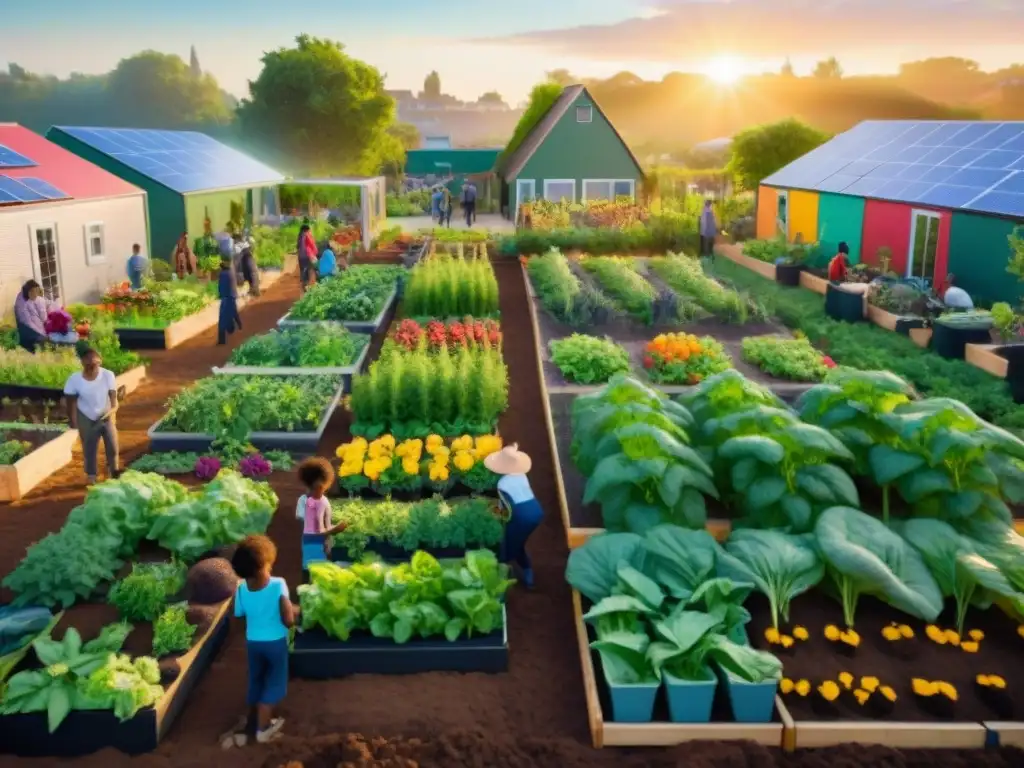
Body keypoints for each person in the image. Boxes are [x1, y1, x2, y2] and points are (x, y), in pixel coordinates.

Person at [230, 535, 296, 745]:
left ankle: (251, 720)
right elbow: (288, 619)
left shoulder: (241, 590)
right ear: (264, 566)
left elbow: (239, 616)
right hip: (275, 643)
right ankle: (263, 729)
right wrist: (296, 613)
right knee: (275, 682)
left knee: (256, 679)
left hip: (253, 643)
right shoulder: (278, 585)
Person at [485, 444, 544, 589]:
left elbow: (504, 507)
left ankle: (502, 573)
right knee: (519, 542)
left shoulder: (502, 483)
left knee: (507, 543)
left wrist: (493, 511)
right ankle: (527, 571)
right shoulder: (521, 475)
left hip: (522, 515)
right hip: (536, 510)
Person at [64, 346, 120, 486]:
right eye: (87, 362)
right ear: (82, 363)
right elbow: (70, 402)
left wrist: (113, 410)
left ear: (100, 361)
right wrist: (73, 421)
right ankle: (91, 475)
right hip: (86, 416)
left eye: (94, 362)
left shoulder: (108, 375)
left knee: (112, 446)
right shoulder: (74, 379)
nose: (91, 365)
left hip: (106, 415)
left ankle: (113, 472)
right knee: (89, 447)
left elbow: (113, 398)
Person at [295, 458, 347, 570]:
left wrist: (329, 538)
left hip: (322, 542)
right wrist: (333, 530)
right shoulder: (304, 501)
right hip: (311, 542)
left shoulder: (324, 501)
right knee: (310, 569)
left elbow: (326, 523)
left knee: (322, 570)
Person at [14, 280, 48, 352]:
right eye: (36, 292)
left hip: (32, 327)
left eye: (38, 292)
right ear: (29, 292)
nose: (37, 295)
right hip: (27, 331)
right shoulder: (22, 304)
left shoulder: (30, 298)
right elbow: (28, 323)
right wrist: (42, 334)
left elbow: (40, 317)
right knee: (43, 342)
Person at [217, 258, 242, 345]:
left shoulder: (223, 274)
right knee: (234, 312)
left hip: (226, 298)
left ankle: (222, 340)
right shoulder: (231, 273)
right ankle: (239, 325)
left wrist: (220, 295)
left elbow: (221, 287)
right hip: (232, 297)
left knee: (222, 319)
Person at [296, 224, 318, 295]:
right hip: (307, 256)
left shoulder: (299, 236)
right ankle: (307, 287)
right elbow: (312, 244)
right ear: (306, 230)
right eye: (309, 229)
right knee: (311, 270)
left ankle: (304, 286)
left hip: (301, 257)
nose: (310, 231)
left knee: (303, 271)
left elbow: (298, 247)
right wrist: (315, 253)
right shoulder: (306, 235)